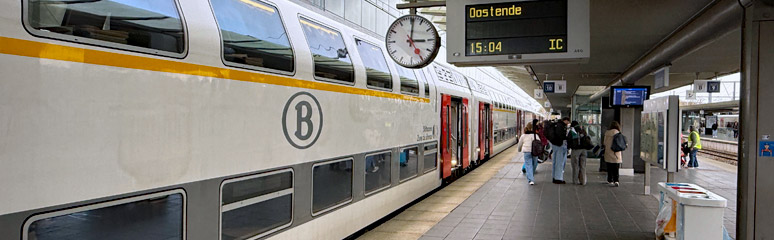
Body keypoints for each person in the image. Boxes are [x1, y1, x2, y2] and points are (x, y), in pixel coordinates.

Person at [551, 117, 571, 184]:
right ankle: (558, 178)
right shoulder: (561, 126)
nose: (568, 123)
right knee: (559, 162)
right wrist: (566, 138)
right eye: (568, 121)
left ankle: (554, 177)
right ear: (565, 120)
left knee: (555, 162)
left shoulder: (557, 124)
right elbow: (561, 136)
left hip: (555, 144)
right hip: (559, 145)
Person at [603, 121, 623, 187]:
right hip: (616, 152)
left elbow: (604, 143)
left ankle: (610, 180)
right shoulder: (618, 133)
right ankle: (616, 180)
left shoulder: (607, 133)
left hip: (608, 152)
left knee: (609, 167)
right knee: (616, 167)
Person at [568, 121, 587, 185]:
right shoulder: (582, 129)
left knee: (575, 166)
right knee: (583, 166)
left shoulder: (572, 131)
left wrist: (569, 148)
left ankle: (575, 181)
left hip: (576, 150)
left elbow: (569, 140)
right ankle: (583, 181)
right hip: (584, 150)